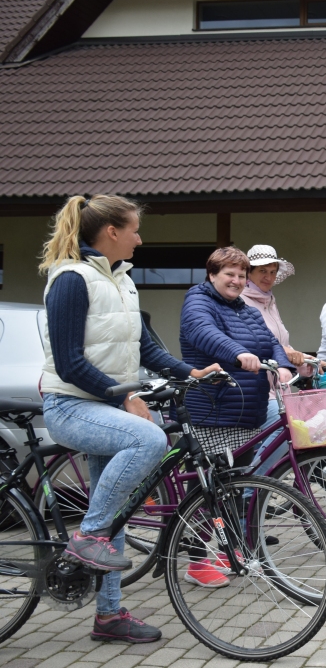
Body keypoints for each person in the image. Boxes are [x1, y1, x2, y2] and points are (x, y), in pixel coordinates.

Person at [39, 195, 221, 644]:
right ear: (112, 232)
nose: (140, 239)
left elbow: (145, 348)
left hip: (102, 406)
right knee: (150, 439)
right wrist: (125, 397)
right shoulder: (72, 279)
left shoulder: (121, 279)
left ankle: (108, 615)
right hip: (70, 406)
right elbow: (69, 363)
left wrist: (191, 373)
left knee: (116, 510)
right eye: (135, 230)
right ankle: (88, 536)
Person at [179, 247, 296, 586]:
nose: (236, 280)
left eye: (241, 275)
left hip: (246, 413)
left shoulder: (245, 309)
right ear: (212, 274)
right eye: (229, 274)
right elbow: (204, 333)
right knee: (205, 492)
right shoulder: (198, 300)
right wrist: (239, 352)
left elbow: (270, 342)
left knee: (232, 488)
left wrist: (282, 366)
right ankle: (196, 562)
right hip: (212, 410)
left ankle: (229, 551)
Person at [242, 244, 312, 440]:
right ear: (249, 273)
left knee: (295, 435)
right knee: (291, 431)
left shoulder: (269, 301)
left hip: (277, 387)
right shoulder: (241, 301)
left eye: (273, 272)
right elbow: (254, 341)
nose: (269, 277)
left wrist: (308, 360)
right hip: (254, 386)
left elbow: (280, 343)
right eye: (263, 271)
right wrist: (288, 353)